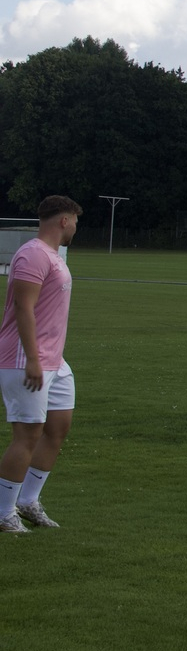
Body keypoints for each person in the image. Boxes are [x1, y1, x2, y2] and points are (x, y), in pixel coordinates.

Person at [0, 196, 82, 533]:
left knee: (58, 428)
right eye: (75, 221)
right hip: (26, 359)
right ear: (64, 220)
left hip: (54, 361)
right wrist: (32, 359)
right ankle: (3, 512)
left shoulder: (53, 256)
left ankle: (28, 501)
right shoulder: (33, 254)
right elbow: (24, 308)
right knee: (27, 436)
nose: (75, 227)